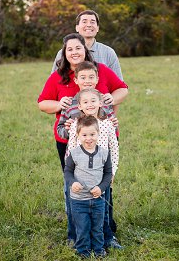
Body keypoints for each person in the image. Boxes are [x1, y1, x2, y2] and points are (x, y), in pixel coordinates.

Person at [38, 33, 127, 248]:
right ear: (64, 53)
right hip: (70, 144)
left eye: (78, 48)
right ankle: (76, 235)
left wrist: (111, 108)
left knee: (102, 187)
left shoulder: (99, 70)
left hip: (102, 141)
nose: (74, 52)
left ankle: (106, 234)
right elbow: (43, 103)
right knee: (74, 187)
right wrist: (61, 107)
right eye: (70, 49)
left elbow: (121, 91)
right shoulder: (59, 78)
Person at [65, 88, 121, 251]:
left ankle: (106, 239)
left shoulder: (107, 124)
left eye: (93, 101)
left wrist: (113, 172)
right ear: (80, 106)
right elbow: (71, 149)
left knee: (103, 209)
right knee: (79, 207)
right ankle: (78, 238)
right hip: (81, 175)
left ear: (100, 103)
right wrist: (72, 176)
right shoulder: (76, 124)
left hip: (102, 174)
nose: (90, 104)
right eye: (85, 102)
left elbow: (114, 148)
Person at [64, 115, 113, 259]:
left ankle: (99, 249)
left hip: (97, 199)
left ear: (98, 134)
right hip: (79, 201)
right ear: (78, 135)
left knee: (97, 227)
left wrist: (102, 187)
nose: (89, 138)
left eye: (92, 134)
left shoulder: (104, 153)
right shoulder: (74, 153)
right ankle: (83, 251)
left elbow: (108, 173)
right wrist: (73, 183)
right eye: (84, 135)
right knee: (82, 227)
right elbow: (67, 171)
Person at [53, 10, 123, 81]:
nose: (89, 25)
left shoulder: (108, 52)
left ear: (98, 28)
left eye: (92, 22)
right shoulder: (63, 53)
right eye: (84, 22)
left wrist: (106, 93)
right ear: (77, 27)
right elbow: (54, 82)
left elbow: (119, 84)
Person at [56, 61, 117, 140]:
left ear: (97, 79)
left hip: (102, 149)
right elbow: (60, 130)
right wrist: (68, 129)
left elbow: (113, 128)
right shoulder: (69, 103)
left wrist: (113, 125)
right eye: (83, 77)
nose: (87, 81)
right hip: (77, 149)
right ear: (76, 80)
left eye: (91, 77)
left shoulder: (104, 101)